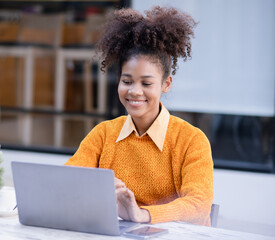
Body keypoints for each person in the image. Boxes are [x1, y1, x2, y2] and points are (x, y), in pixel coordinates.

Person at [65, 6, 213, 226]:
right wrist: (96, 187)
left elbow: (198, 204)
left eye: (146, 83)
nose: (134, 91)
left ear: (166, 84)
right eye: (127, 81)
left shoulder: (191, 140)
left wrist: (142, 214)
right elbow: (66, 181)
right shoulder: (104, 134)